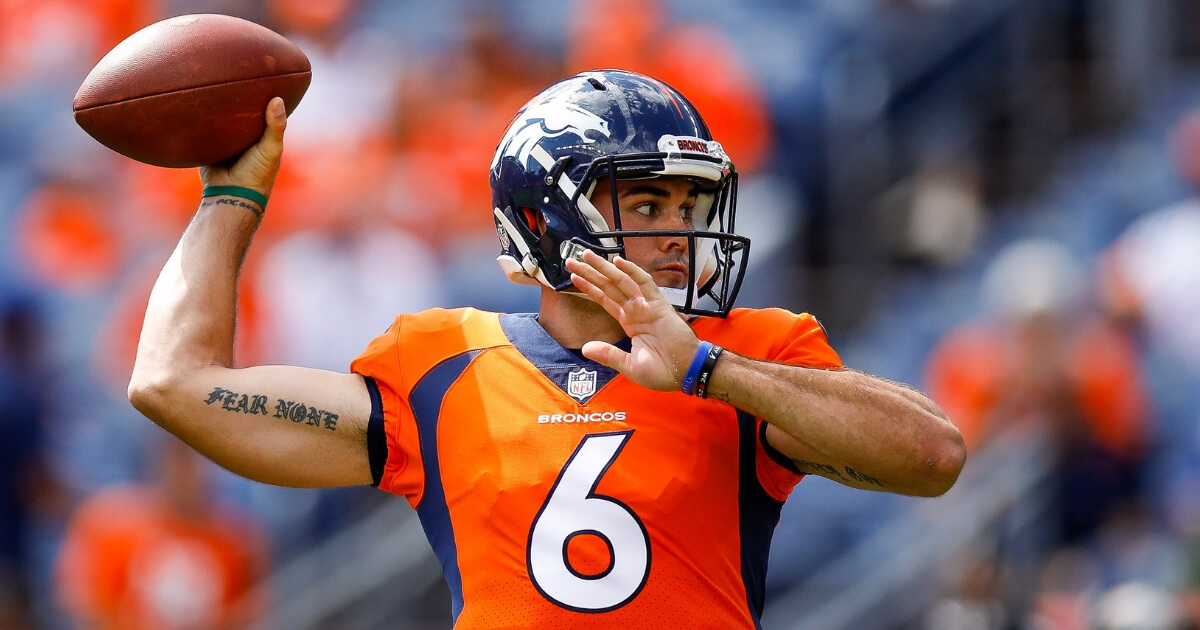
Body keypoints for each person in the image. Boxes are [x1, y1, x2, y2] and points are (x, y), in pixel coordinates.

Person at [127, 69, 966, 628]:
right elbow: (174, 383)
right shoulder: (443, 366)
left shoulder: (744, 353)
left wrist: (711, 373)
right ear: (546, 219)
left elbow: (933, 456)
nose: (679, 233)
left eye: (689, 204)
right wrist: (231, 197)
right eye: (647, 203)